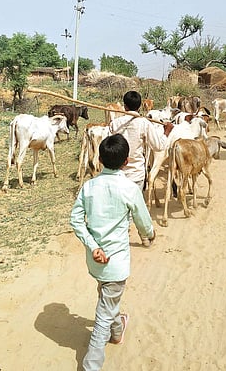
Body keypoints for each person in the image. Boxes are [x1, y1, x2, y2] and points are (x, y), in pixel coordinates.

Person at [70, 133, 156, 371]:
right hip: (116, 263)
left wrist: (93, 246)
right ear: (126, 161)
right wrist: (149, 234)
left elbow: (76, 220)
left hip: (96, 261)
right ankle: (91, 365)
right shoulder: (129, 188)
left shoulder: (89, 186)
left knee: (107, 297)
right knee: (102, 316)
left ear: (100, 157)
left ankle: (118, 330)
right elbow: (143, 221)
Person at [109, 90, 173, 191]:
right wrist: (166, 132)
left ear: (124, 106)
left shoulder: (115, 124)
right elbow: (158, 146)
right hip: (136, 175)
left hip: (116, 175)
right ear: (139, 107)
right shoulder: (144, 123)